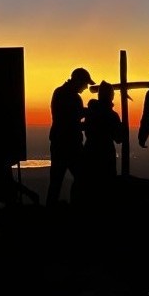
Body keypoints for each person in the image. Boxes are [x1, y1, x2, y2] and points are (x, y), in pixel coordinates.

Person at [46, 66, 94, 207]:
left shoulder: (59, 92)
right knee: (82, 178)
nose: (85, 87)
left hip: (58, 143)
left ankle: (50, 210)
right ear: (78, 81)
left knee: (56, 181)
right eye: (85, 83)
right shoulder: (73, 97)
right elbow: (74, 118)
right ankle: (77, 207)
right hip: (71, 145)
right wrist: (92, 112)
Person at [76, 80, 126, 205]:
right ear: (111, 96)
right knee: (106, 187)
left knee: (90, 186)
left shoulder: (91, 112)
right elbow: (119, 139)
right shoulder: (112, 115)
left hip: (89, 150)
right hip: (106, 152)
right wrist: (122, 127)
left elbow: (85, 127)